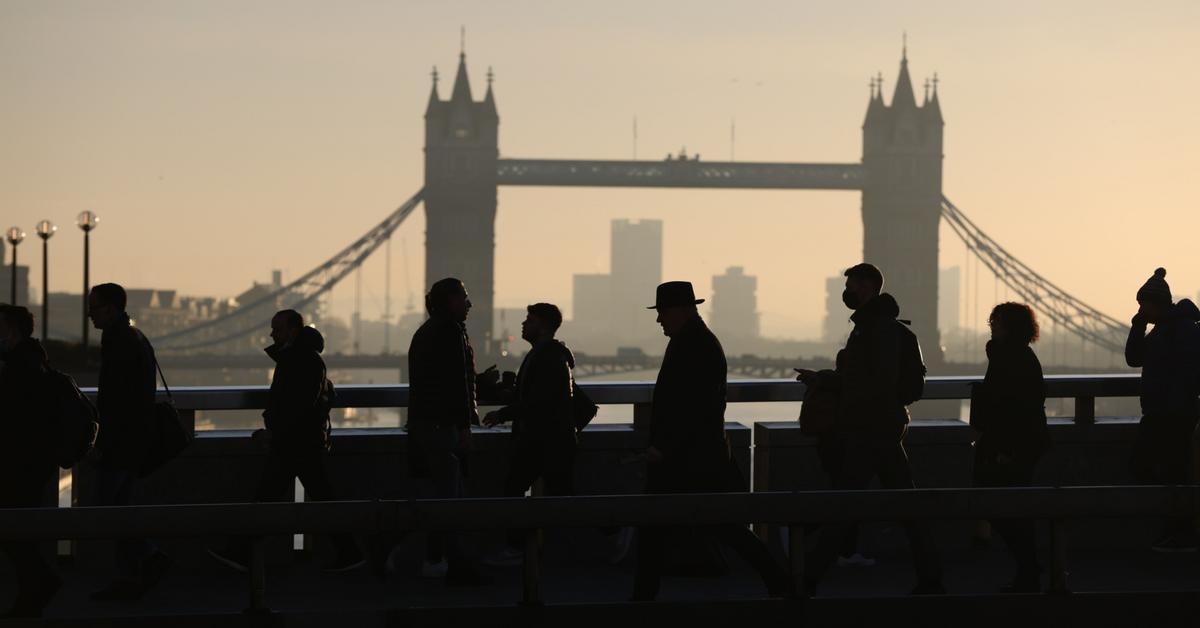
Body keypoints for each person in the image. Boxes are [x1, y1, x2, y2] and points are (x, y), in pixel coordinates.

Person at [632, 281, 788, 601]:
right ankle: (780, 582)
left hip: (688, 460)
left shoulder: (693, 345)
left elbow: (694, 407)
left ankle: (642, 598)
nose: (659, 319)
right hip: (695, 457)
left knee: (664, 526)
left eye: (662, 312)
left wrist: (665, 446)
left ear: (680, 311)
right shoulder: (695, 340)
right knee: (713, 526)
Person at [796, 263, 943, 595]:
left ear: (867, 286)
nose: (846, 291)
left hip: (871, 429)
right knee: (907, 508)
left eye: (850, 285)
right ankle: (931, 579)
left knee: (844, 505)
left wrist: (836, 387)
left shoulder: (878, 329)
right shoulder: (871, 326)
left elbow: (875, 382)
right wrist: (824, 378)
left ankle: (806, 580)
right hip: (881, 428)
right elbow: (862, 378)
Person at [207, 311, 364, 573]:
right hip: (301, 442)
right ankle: (349, 553)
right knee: (320, 499)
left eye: (277, 329)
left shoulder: (301, 360)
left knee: (267, 499)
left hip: (294, 444)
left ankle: (241, 552)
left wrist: (273, 433)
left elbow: (297, 406)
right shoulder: (303, 358)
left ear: (293, 330)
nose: (271, 334)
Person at [405, 278, 495, 585]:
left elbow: (441, 379)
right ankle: (451, 565)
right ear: (450, 301)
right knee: (450, 500)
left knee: (441, 495)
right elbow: (454, 384)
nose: (470, 305)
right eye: (465, 298)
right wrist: (464, 427)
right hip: (441, 427)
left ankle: (437, 559)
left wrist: (477, 383)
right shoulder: (450, 332)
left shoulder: (428, 330)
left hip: (425, 424)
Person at [87, 283, 171, 601]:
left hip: (120, 444)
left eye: (94, 307)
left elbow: (116, 402)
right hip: (135, 441)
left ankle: (149, 559)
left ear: (110, 308)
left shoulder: (118, 341)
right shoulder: (135, 336)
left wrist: (102, 443)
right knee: (119, 508)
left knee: (106, 509)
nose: (89, 314)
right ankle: (131, 576)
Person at [482, 303, 577, 566]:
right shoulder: (549, 354)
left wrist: (503, 413)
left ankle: (515, 548)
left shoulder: (545, 357)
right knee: (563, 495)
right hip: (551, 439)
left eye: (529, 320)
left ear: (543, 326)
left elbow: (538, 401)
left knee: (515, 489)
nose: (524, 324)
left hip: (541, 439)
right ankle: (614, 528)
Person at [970, 302, 1049, 592]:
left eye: (998, 322)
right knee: (1007, 505)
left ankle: (1028, 568)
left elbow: (1016, 408)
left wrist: (1006, 449)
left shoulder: (1013, 358)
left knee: (1002, 505)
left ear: (1011, 327)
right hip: (1013, 441)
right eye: (992, 320)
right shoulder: (1012, 355)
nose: (993, 326)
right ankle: (1028, 567)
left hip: (1012, 444)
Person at [1124, 268, 1200, 552]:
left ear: (1156, 303)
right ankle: (1175, 527)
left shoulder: (1184, 329)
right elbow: (1134, 359)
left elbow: (1189, 374)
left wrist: (1173, 408)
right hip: (1158, 415)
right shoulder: (1160, 329)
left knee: (1172, 474)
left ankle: (1180, 532)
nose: (1140, 309)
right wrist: (1138, 325)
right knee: (1152, 469)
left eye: (1143, 304)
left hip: (1174, 416)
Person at [0, 305, 61, 618]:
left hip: (22, 463)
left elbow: (17, 417)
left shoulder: (21, 365)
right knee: (17, 531)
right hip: (31, 462)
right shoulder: (31, 360)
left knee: (14, 531)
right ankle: (33, 591)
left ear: (13, 330)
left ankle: (37, 587)